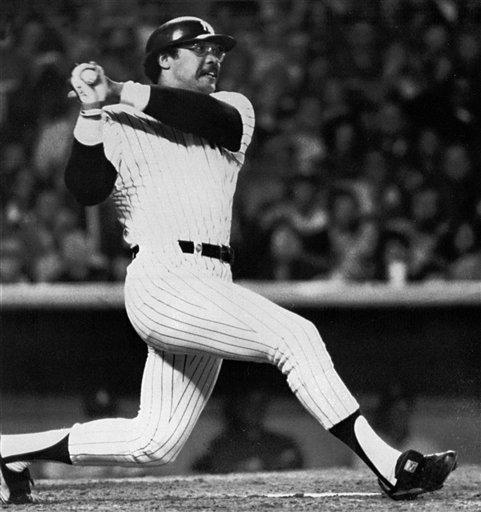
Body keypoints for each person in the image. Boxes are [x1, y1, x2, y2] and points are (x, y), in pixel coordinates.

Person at [0, 16, 457, 504]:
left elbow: (205, 119)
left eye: (218, 49)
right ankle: (388, 464)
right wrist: (92, 111)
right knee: (294, 335)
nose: (215, 56)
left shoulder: (232, 108)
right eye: (201, 48)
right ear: (165, 60)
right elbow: (84, 189)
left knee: (153, 443)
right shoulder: (113, 120)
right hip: (163, 278)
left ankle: (9, 450)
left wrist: (119, 88)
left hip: (211, 280)